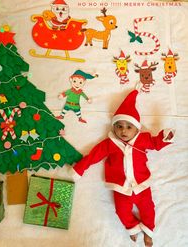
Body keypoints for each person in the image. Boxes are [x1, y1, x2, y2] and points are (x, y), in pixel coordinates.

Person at [71, 90, 175, 247]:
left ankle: (148, 231)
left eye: (128, 127)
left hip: (142, 185)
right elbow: (93, 156)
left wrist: (164, 137)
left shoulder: (142, 139)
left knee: (149, 209)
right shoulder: (109, 144)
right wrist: (79, 169)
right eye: (119, 126)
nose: (123, 131)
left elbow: (155, 143)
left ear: (136, 128)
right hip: (121, 188)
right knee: (121, 211)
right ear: (114, 127)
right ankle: (132, 227)